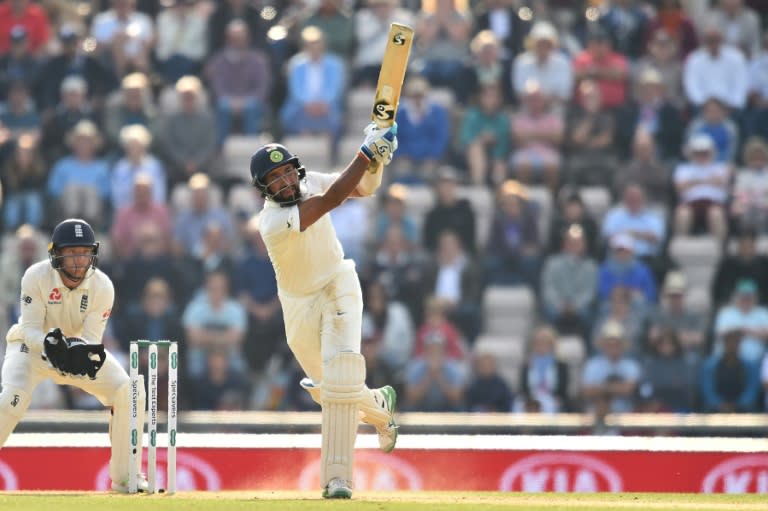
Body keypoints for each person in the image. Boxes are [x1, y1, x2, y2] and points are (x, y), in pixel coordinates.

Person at [249, 121, 399, 498]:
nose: (285, 182)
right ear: (264, 190)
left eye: (287, 172)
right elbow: (332, 199)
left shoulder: (310, 180)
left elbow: (363, 187)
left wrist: (377, 160)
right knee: (333, 388)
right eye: (275, 179)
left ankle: (338, 481)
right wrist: (365, 152)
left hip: (338, 285)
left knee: (342, 376)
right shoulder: (272, 221)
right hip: (298, 305)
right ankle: (379, 406)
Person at [0, 219, 148, 493]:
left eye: (84, 252)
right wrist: (50, 343)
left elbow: (91, 341)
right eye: (72, 253)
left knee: (129, 392)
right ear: (56, 253)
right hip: (31, 349)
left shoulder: (102, 286)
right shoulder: (35, 276)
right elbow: (31, 328)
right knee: (10, 400)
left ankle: (126, 477)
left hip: (75, 352)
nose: (79, 261)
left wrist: (75, 352)